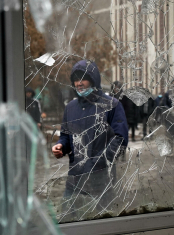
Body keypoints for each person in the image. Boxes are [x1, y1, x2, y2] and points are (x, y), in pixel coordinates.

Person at [51, 60, 128, 220]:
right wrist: (61, 146)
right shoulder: (70, 108)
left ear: (94, 80)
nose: (79, 83)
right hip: (75, 177)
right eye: (76, 79)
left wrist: (99, 161)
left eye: (83, 78)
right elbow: (66, 135)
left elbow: (120, 138)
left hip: (102, 178)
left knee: (103, 221)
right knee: (69, 219)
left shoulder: (111, 105)